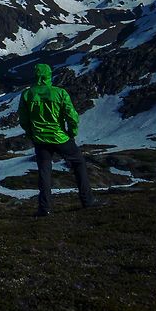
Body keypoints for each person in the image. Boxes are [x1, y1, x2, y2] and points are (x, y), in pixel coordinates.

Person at [17, 63, 105, 216]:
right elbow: (72, 116)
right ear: (50, 75)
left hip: (40, 139)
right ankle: (87, 201)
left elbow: (24, 120)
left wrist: (31, 134)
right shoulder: (59, 93)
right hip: (60, 137)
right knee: (78, 163)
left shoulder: (27, 94)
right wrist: (72, 133)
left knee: (44, 172)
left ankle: (45, 209)